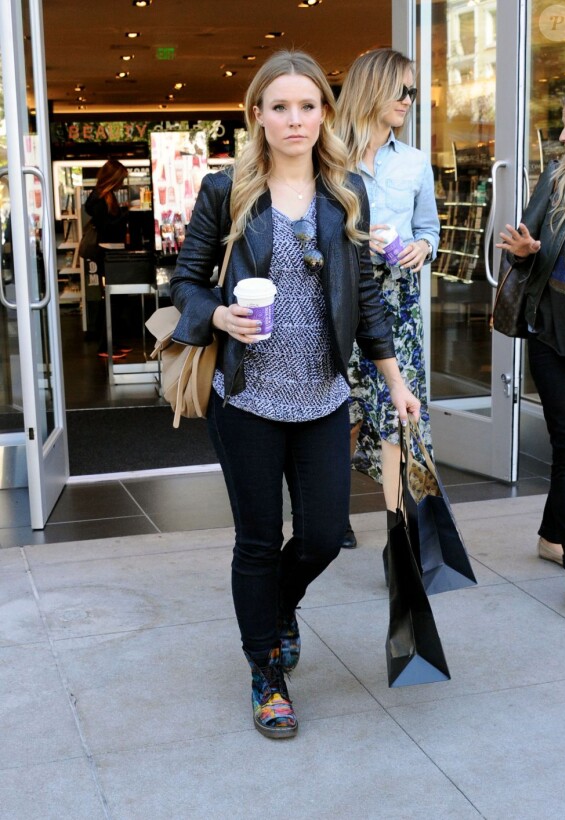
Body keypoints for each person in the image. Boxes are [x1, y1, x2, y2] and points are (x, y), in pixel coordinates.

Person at [170, 50, 420, 739]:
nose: (294, 119)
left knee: (318, 536)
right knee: (257, 539)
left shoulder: (347, 192)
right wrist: (216, 315)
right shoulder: (228, 191)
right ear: (256, 115)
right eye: (279, 106)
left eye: (307, 105)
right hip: (246, 397)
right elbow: (185, 281)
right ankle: (265, 671)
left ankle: (276, 608)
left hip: (322, 397)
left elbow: (365, 295)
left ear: (325, 114)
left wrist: (394, 382)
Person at [335, 48, 440, 548]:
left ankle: (401, 535)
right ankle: (331, 513)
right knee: (343, 412)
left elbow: (428, 231)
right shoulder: (329, 157)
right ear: (373, 88)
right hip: (342, 296)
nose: (409, 99)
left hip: (397, 303)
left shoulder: (416, 163)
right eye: (401, 89)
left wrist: (423, 247)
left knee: (398, 418)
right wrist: (356, 239)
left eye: (413, 90)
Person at [496, 87, 565, 604]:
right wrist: (529, 251)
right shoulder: (556, 179)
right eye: (564, 126)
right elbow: (522, 252)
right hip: (554, 330)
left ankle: (553, 535)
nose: (563, 137)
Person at [84, 158, 130, 358]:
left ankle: (112, 343)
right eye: (120, 179)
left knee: (114, 299)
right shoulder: (100, 199)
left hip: (110, 251)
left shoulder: (105, 196)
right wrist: (127, 214)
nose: (122, 183)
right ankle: (105, 346)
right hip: (105, 253)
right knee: (112, 299)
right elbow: (106, 227)